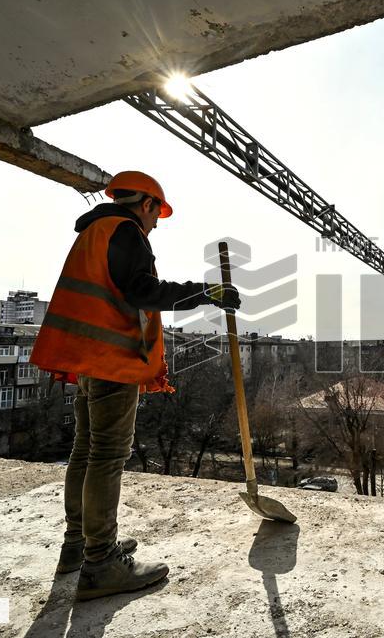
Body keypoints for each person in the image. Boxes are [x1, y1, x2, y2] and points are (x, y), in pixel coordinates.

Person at [30, 170, 240, 601]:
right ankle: (101, 562)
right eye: (156, 214)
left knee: (86, 449)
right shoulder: (126, 231)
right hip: (111, 358)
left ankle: (79, 545)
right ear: (145, 204)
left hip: (88, 358)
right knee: (106, 455)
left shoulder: (95, 231)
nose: (156, 224)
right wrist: (207, 293)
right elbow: (142, 291)